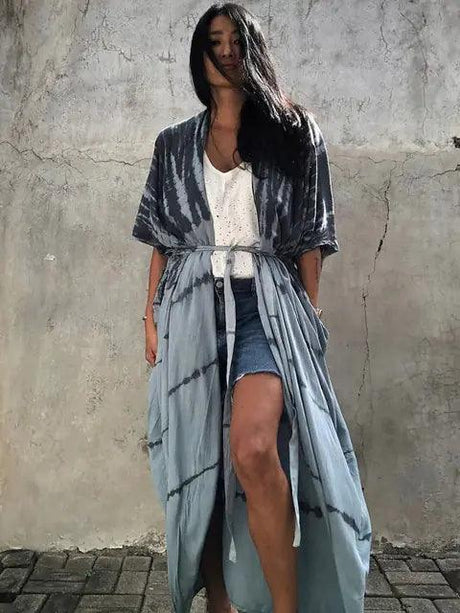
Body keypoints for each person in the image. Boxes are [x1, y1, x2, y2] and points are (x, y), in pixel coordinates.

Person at [133, 3, 372, 613]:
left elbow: (312, 238)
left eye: (237, 39)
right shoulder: (173, 143)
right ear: (199, 55)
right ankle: (220, 602)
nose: (226, 51)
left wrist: (310, 314)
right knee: (203, 461)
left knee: (254, 448)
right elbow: (162, 239)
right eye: (213, 41)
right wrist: (150, 317)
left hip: (265, 305)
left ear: (254, 48)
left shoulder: (294, 131)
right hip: (189, 304)